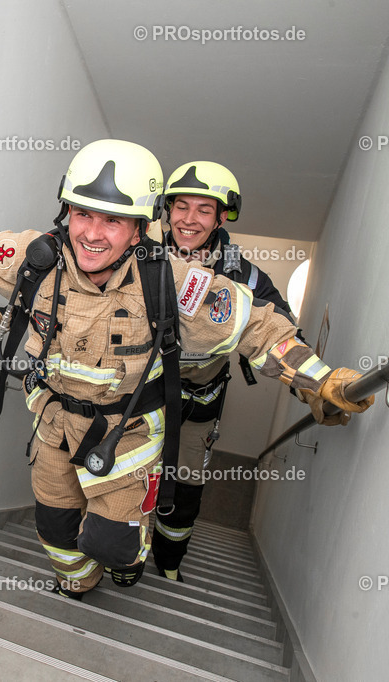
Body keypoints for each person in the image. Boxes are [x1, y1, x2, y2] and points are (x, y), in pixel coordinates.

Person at [0, 139, 372, 598]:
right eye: (83, 214)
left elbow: (260, 328)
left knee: (116, 547)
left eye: (112, 220)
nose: (92, 233)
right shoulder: (32, 256)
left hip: (126, 435)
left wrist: (320, 381)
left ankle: (123, 557)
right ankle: (77, 582)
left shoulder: (172, 282)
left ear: (139, 228)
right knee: (56, 530)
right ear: (65, 211)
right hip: (52, 423)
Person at [150, 161, 296, 581]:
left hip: (197, 406)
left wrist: (310, 384)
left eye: (203, 209)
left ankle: (168, 564)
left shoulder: (243, 275)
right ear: (166, 209)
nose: (189, 219)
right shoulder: (138, 255)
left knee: (183, 492)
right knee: (121, 475)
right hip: (138, 393)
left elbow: (280, 329)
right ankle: (119, 552)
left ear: (221, 216)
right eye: (181, 206)